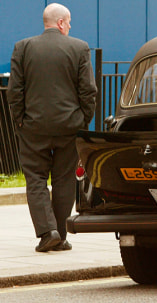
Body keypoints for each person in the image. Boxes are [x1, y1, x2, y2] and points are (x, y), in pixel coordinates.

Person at [6, 3, 97, 253]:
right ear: (60, 23)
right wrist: (82, 120)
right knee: (64, 179)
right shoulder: (79, 48)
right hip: (69, 126)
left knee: (35, 179)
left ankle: (48, 233)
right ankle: (61, 235)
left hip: (33, 127)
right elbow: (88, 91)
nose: (70, 26)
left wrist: (20, 120)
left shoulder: (22, 48)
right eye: (68, 22)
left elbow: (15, 91)